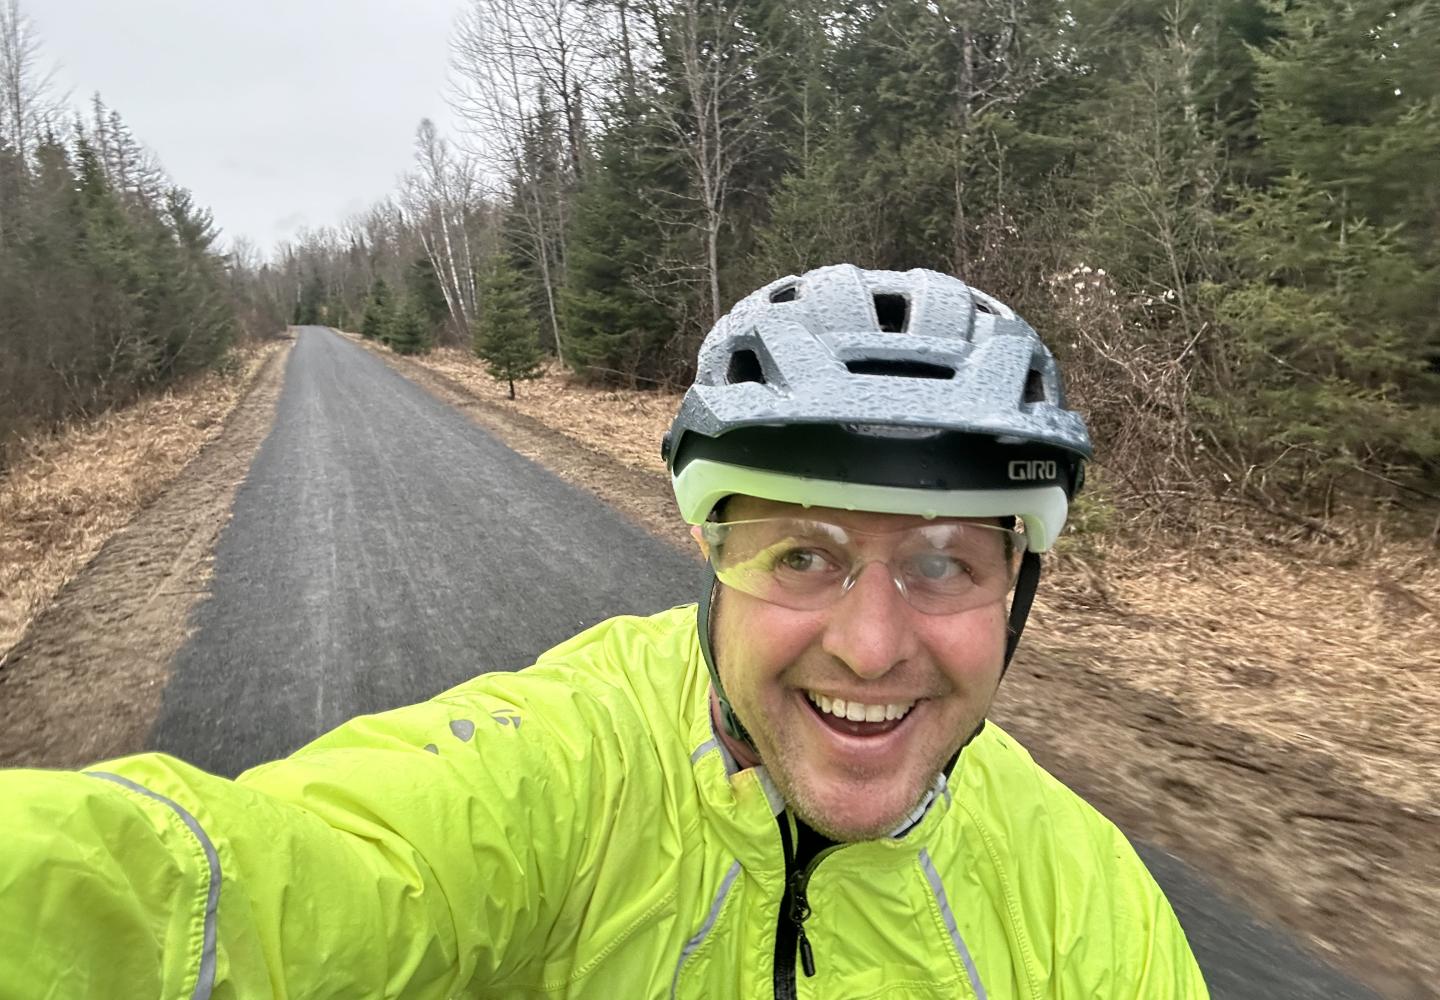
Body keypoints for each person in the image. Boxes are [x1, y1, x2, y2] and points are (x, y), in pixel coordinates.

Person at [0, 265, 1207, 998]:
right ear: (712, 560)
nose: (873, 646)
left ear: (1018, 591)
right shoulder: (567, 767)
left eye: (946, 563)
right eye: (801, 554)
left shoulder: (1082, 893)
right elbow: (253, 885)